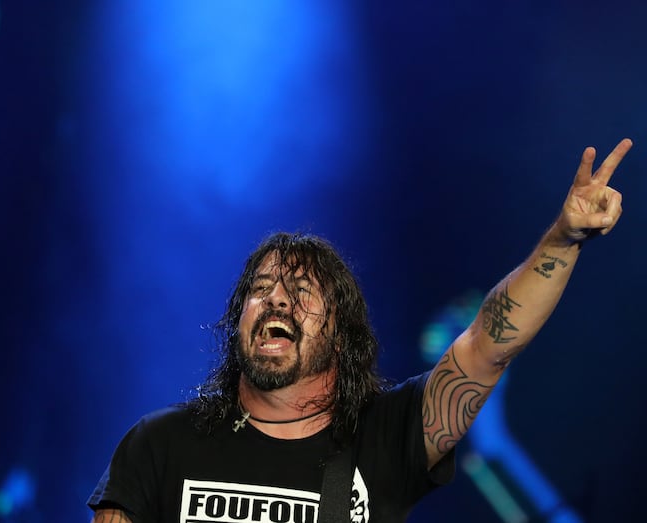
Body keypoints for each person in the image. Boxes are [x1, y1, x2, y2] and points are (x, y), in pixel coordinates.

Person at [88, 139, 633, 523]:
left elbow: (487, 346)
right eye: (261, 288)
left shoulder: (384, 438)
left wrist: (563, 240)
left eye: (302, 293)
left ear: (340, 338)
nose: (276, 297)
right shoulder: (158, 444)